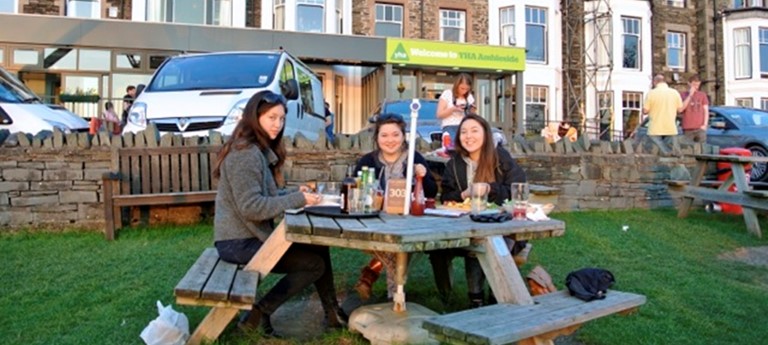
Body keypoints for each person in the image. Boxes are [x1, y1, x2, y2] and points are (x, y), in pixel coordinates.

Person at [212, 90, 343, 336]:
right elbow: (252, 207)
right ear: (254, 117)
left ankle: (332, 313)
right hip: (237, 242)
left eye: (281, 119)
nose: (278, 124)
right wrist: (298, 198)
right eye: (272, 117)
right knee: (314, 265)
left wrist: (294, 192)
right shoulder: (244, 154)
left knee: (319, 246)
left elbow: (268, 196)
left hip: (246, 237)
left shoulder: (254, 150)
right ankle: (260, 313)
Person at [429, 113, 529, 308]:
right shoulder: (455, 163)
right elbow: (446, 197)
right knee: (467, 242)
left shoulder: (500, 157)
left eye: (475, 131)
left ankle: (495, 295)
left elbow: (517, 189)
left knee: (491, 241)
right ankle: (475, 299)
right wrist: (464, 194)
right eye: (464, 132)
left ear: (485, 134)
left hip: (502, 225)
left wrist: (491, 189)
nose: (469, 136)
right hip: (463, 226)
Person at [352, 113, 438, 300]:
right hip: (376, 221)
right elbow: (355, 192)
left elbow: (431, 192)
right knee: (393, 246)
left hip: (408, 221)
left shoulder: (414, 157)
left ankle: (376, 280)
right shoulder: (367, 162)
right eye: (384, 135)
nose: (390, 140)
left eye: (395, 134)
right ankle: (395, 293)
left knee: (399, 244)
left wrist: (422, 176)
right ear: (376, 138)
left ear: (403, 136)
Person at [642, 74, 684, 156]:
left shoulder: (651, 93)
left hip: (656, 125)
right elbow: (680, 109)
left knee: (654, 138)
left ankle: (666, 152)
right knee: (673, 143)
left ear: (655, 82)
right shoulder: (674, 93)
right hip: (670, 125)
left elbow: (645, 111)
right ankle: (678, 156)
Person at [436, 73, 476, 146]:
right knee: (452, 149)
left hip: (465, 127)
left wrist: (471, 110)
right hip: (450, 126)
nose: (464, 91)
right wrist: (454, 109)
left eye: (467, 89)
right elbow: (439, 114)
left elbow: (472, 116)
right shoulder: (448, 94)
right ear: (457, 85)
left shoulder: (469, 97)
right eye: (462, 88)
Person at [679, 74, 709, 143]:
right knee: (688, 149)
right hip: (687, 128)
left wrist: (705, 125)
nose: (696, 87)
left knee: (701, 148)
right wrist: (690, 95)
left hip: (700, 128)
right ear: (689, 84)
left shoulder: (702, 95)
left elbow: (706, 111)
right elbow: (681, 109)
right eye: (694, 85)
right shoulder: (682, 95)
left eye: (698, 85)